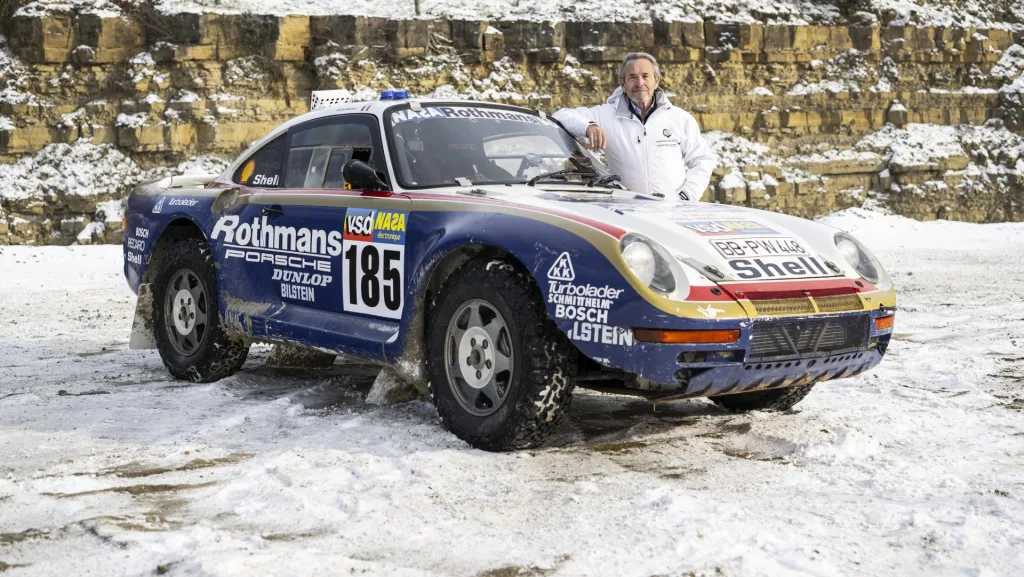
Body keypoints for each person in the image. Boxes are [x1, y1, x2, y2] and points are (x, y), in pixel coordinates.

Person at [553, 52, 718, 202]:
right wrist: (589, 126)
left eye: (645, 76)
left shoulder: (679, 118)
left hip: (674, 211)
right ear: (623, 83)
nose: (640, 83)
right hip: (628, 212)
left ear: (656, 80)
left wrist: (687, 195)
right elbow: (560, 115)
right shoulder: (605, 115)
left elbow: (702, 159)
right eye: (632, 77)